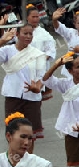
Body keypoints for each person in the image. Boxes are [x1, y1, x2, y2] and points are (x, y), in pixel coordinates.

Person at [0, 25, 47, 154]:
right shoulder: (7, 50)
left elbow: (41, 76)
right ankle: (13, 161)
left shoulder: (36, 54)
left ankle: (27, 162)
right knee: (13, 132)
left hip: (32, 99)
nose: (28, 37)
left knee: (29, 134)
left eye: (30, 34)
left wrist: (37, 88)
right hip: (13, 96)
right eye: (25, 33)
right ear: (17, 34)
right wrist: (2, 40)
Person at [26, 4, 56, 101]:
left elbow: (51, 50)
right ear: (27, 18)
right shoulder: (20, 31)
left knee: (35, 99)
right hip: (23, 67)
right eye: (33, 17)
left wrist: (41, 58)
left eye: (37, 16)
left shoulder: (44, 33)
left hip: (39, 69)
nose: (35, 19)